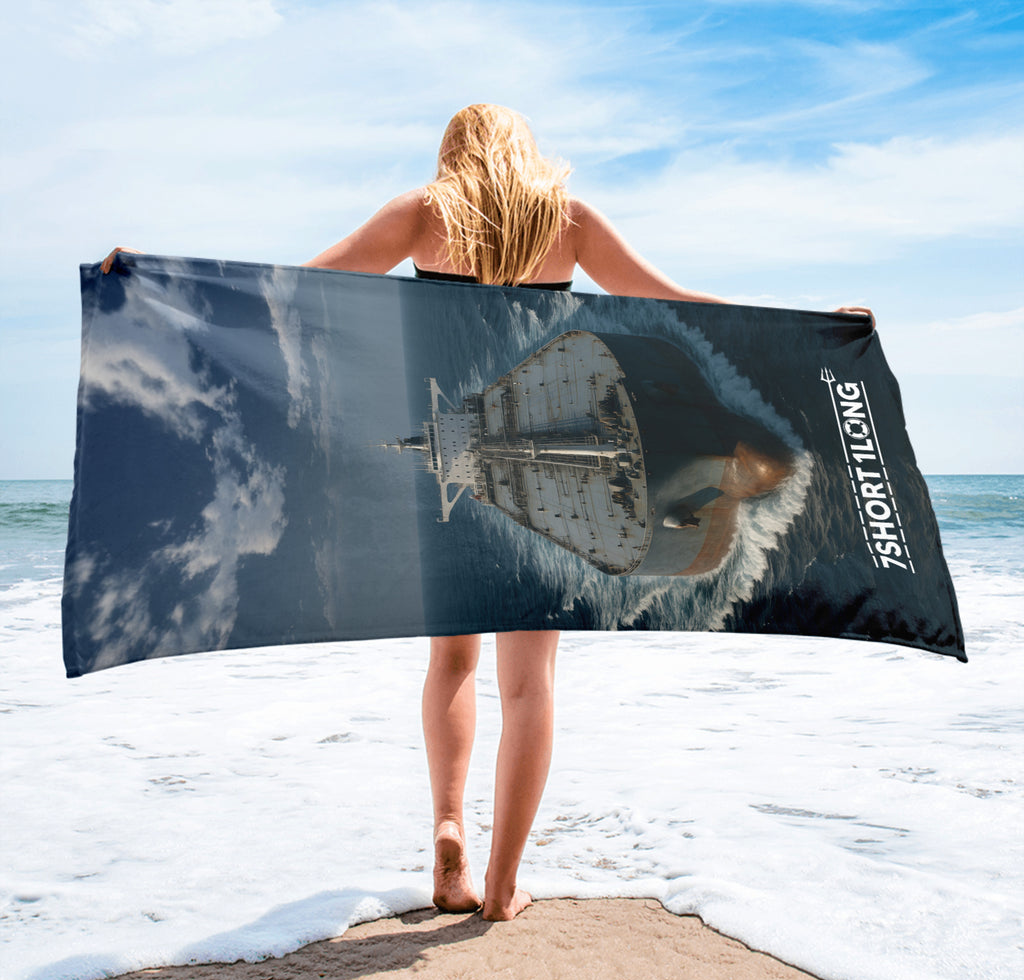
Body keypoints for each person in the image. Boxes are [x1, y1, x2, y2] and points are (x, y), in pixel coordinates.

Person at [102, 103, 872, 922]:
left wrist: (157, 280)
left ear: (453, 153)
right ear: (525, 151)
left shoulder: (423, 215)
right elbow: (682, 304)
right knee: (530, 687)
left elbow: (291, 294)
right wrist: (812, 330)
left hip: (453, 471)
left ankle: (446, 831)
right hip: (553, 484)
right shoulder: (567, 220)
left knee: (452, 666)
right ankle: (502, 889)